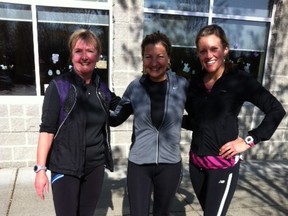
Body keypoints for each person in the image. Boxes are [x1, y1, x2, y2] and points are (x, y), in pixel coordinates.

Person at [183, 24, 286, 216]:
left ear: (225, 50)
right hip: (196, 164)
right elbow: (198, 122)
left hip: (223, 166)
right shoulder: (195, 83)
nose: (209, 55)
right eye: (203, 51)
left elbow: (276, 110)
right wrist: (171, 120)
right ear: (198, 54)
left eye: (214, 49)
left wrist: (249, 140)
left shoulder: (239, 80)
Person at [34, 29, 120, 216]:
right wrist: (40, 169)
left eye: (89, 51)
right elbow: (47, 130)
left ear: (98, 56)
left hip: (95, 167)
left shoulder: (101, 88)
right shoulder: (59, 86)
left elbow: (119, 111)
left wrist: (144, 95)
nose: (84, 56)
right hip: (65, 166)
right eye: (78, 51)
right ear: (71, 55)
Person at [109, 31, 189, 216]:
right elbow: (115, 118)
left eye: (160, 56)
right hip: (139, 164)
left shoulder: (182, 85)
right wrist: (98, 101)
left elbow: (199, 116)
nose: (154, 63)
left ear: (168, 58)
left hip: (170, 165)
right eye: (148, 57)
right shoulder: (135, 87)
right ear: (142, 59)